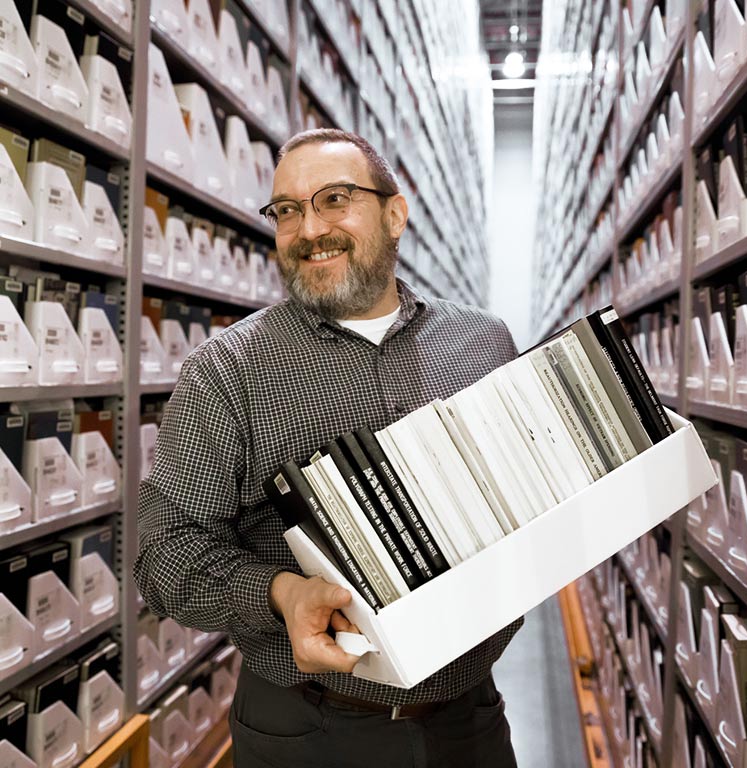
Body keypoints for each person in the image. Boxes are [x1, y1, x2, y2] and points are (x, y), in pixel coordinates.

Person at [134, 129, 524, 768]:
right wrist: (281, 594)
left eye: (334, 199)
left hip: (469, 719)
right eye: (287, 210)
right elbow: (162, 554)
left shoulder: (479, 344)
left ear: (394, 214)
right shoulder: (229, 370)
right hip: (309, 730)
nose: (309, 228)